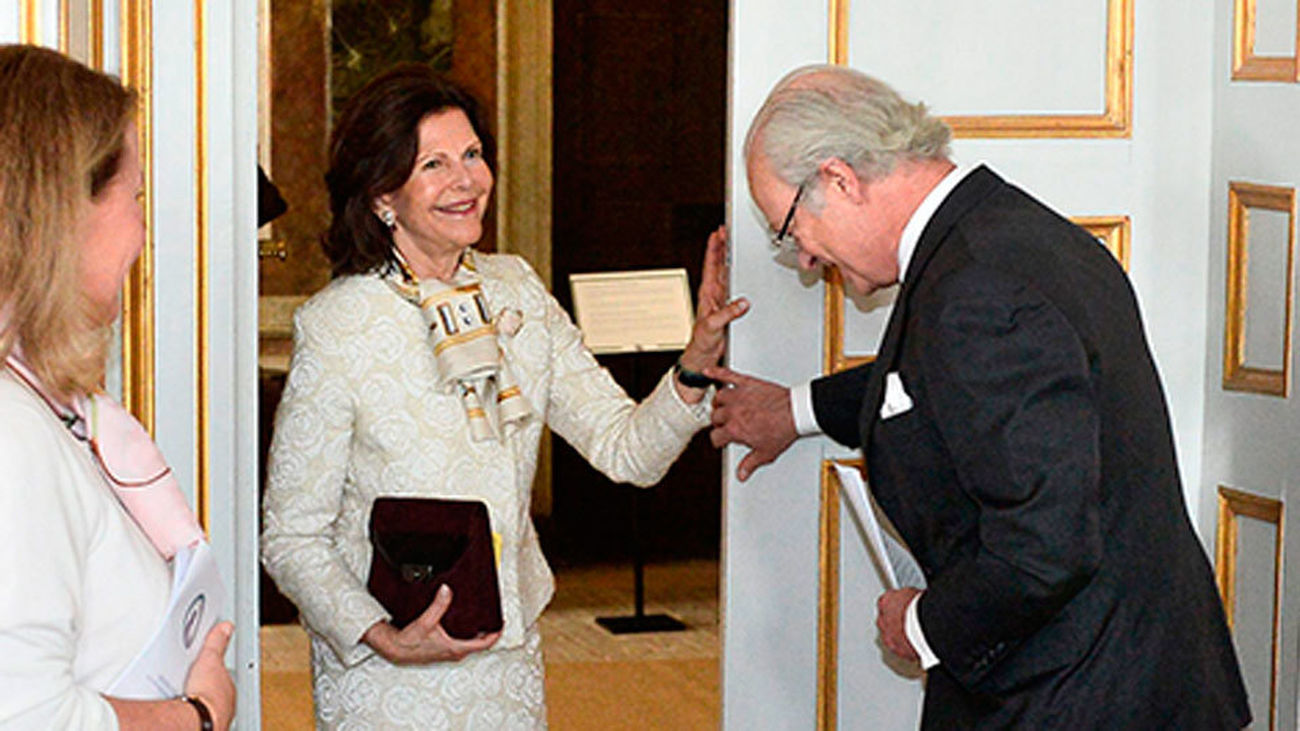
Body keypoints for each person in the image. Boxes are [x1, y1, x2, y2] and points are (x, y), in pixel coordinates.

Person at [706, 64, 1250, 728]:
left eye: (788, 229)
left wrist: (923, 624)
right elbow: (942, 382)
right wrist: (795, 410)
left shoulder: (979, 290)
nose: (806, 259)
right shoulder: (1004, 234)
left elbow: (1043, 546)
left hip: (1078, 697)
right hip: (1124, 679)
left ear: (839, 178)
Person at [260, 63, 745, 729]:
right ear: (381, 194)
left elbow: (626, 449)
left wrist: (692, 366)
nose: (466, 180)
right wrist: (380, 633)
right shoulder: (339, 323)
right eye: (434, 163)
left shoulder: (516, 290)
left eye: (473, 154)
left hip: (506, 665)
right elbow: (292, 536)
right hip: (387, 680)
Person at [0, 45, 235, 729]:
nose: (141, 229)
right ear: (64, 209)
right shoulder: (11, 434)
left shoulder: (43, 403)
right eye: (135, 196)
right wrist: (196, 715)